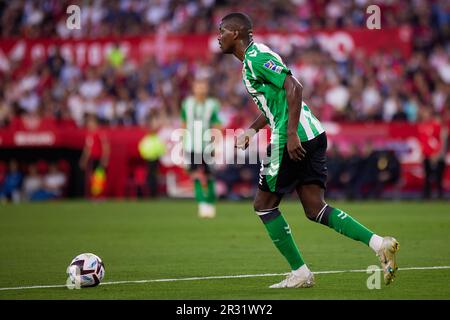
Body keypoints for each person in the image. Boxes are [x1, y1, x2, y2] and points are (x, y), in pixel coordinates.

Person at [218, 12, 400, 288]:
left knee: (263, 205)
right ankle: (379, 243)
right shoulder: (253, 59)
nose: (218, 37)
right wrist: (252, 130)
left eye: (221, 31)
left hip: (292, 135)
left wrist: (290, 134)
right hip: (313, 132)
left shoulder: (255, 57)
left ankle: (301, 273)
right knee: (315, 208)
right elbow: (277, 101)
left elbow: (295, 87)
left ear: (235, 34)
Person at [181, 77, 221, 218]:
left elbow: (216, 124)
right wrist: (182, 143)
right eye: (198, 86)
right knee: (194, 174)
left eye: (203, 86)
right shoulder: (187, 104)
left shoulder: (212, 104)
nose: (200, 89)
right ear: (193, 88)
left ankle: (210, 202)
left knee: (209, 174)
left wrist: (216, 142)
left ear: (207, 89)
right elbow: (184, 123)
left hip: (206, 145)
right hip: (191, 144)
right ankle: (202, 203)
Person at [418, 107, 448, 199]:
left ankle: (439, 195)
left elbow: (440, 141)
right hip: (426, 155)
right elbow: (423, 142)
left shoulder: (436, 126)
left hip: (437, 156)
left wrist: (437, 153)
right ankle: (427, 195)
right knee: (427, 176)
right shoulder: (422, 127)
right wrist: (422, 154)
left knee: (439, 176)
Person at [79, 113, 110, 198]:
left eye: (91, 122)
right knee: (91, 177)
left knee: (99, 178)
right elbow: (87, 149)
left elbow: (105, 146)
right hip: (92, 159)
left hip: (99, 158)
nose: (89, 124)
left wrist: (105, 158)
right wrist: (84, 160)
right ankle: (93, 195)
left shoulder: (100, 133)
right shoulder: (89, 134)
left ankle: (100, 195)